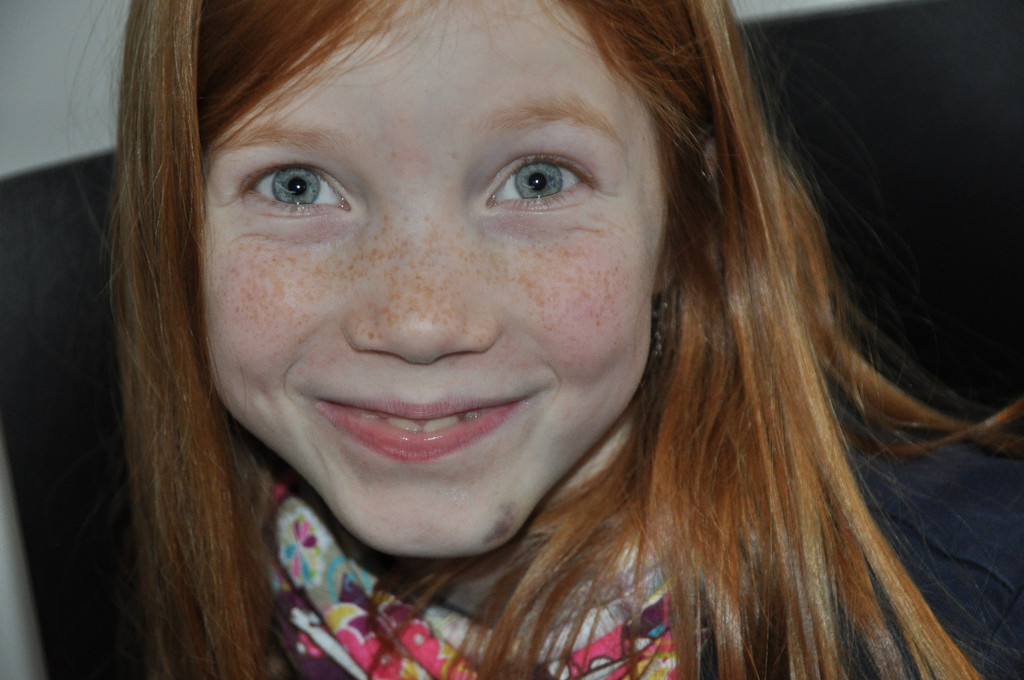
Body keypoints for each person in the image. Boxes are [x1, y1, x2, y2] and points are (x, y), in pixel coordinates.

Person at [110, 0, 1024, 678]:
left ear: (689, 222)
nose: (421, 321)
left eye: (539, 180)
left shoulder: (991, 595)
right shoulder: (236, 611)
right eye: (298, 186)